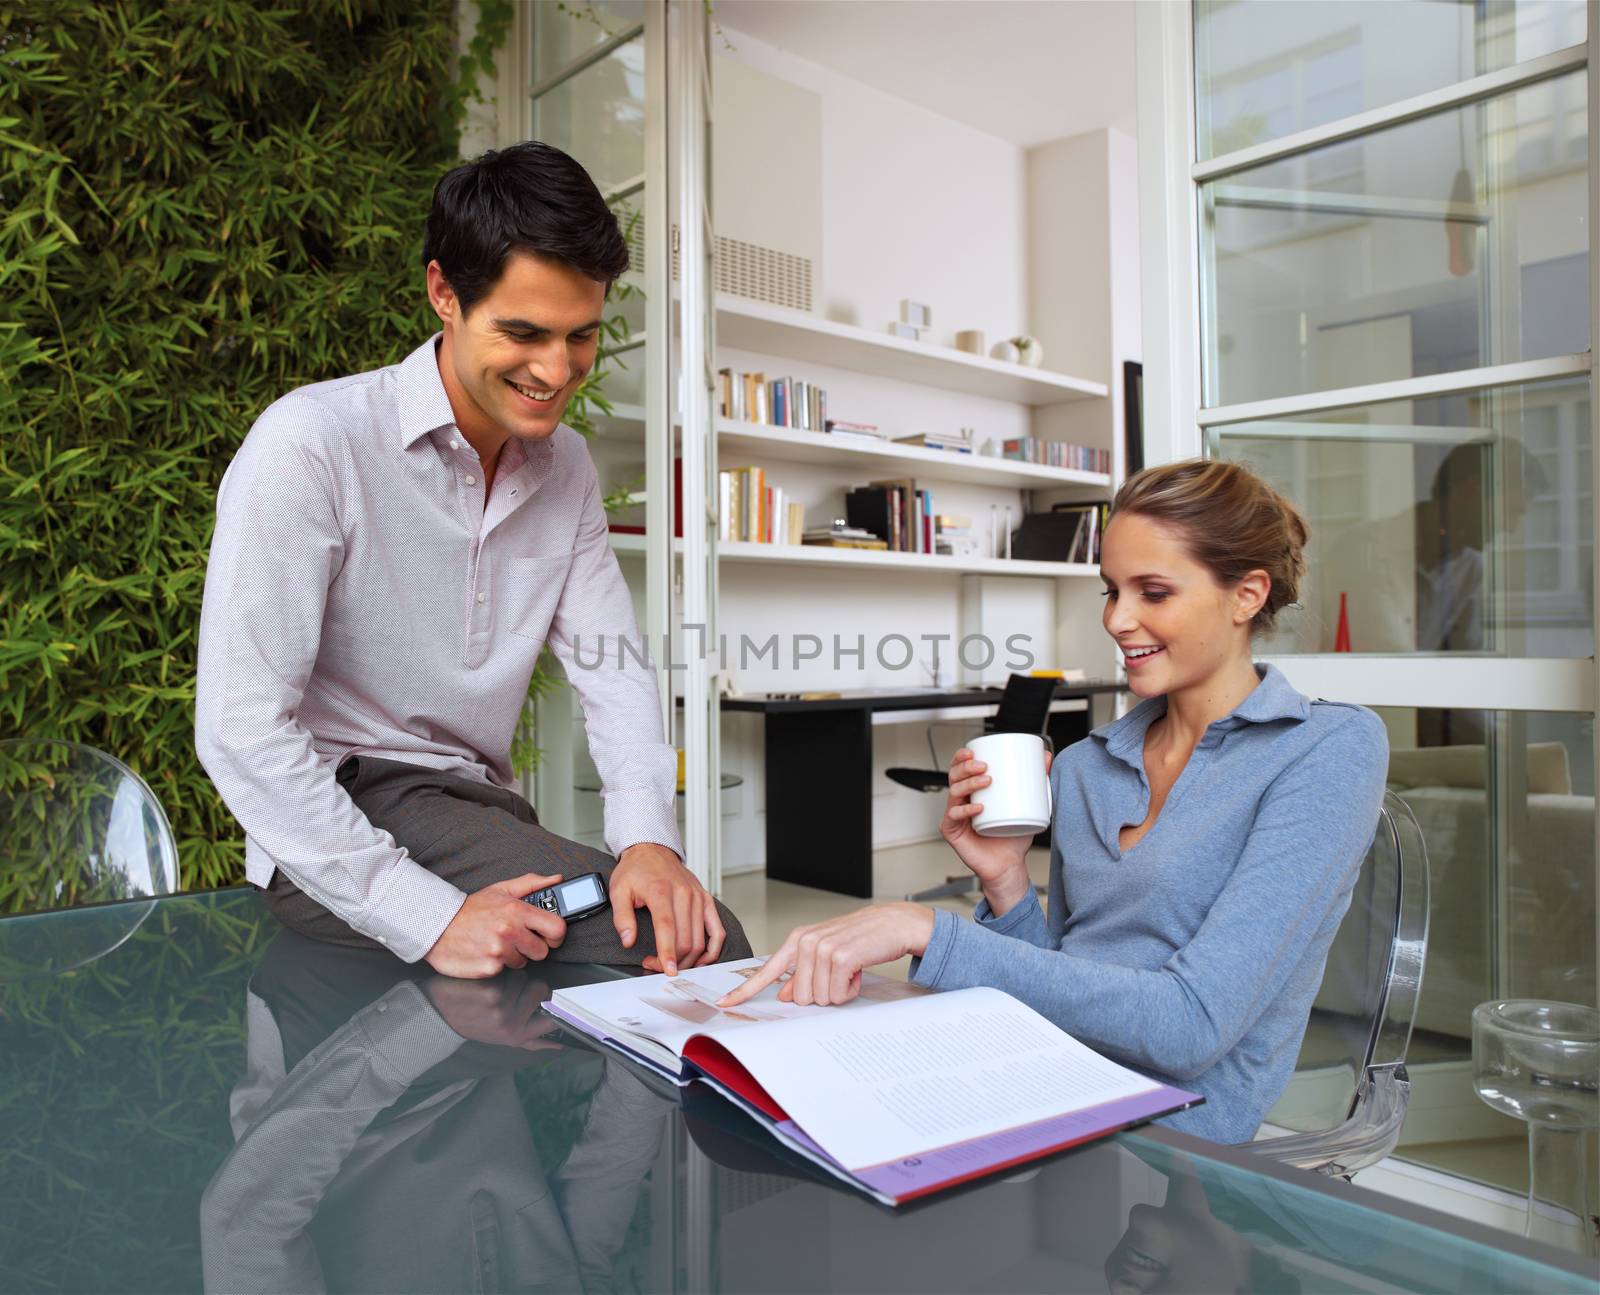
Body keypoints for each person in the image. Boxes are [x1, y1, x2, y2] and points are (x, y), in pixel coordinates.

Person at [196, 141, 750, 979]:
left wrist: (647, 842)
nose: (556, 371)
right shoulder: (313, 444)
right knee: (689, 947)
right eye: (522, 332)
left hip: (476, 809)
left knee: (687, 920)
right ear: (443, 294)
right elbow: (239, 730)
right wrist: (428, 915)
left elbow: (613, 670)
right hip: (343, 816)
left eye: (582, 335)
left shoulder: (565, 473)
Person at [720, 459, 1389, 1144]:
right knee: (779, 1110)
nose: (1118, 620)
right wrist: (1007, 881)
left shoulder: (1326, 749)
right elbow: (1062, 978)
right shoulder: (1085, 766)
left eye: (1153, 592)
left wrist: (933, 930)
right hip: (1040, 1077)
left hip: (1172, 1139)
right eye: (1111, 590)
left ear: (1247, 594)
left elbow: (1193, 1026)